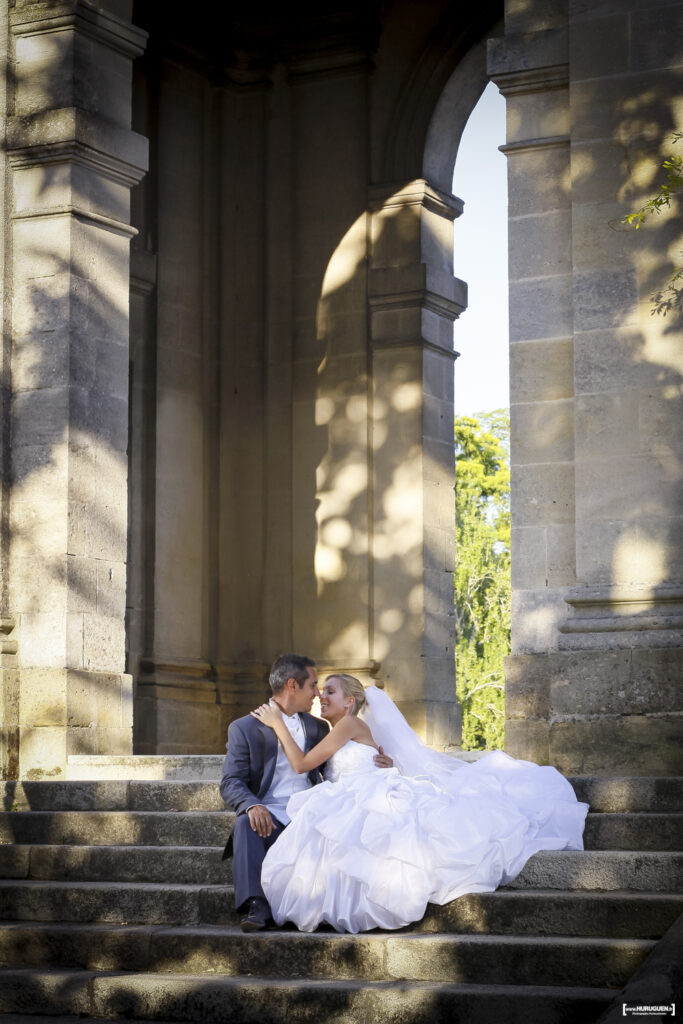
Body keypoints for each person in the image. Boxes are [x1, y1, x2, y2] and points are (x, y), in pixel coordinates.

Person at [251, 674, 589, 934]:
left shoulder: (349, 724)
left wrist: (277, 723)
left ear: (350, 702)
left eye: (330, 692)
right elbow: (358, 760)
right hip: (358, 792)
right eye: (321, 690)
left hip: (366, 794)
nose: (321, 697)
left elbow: (301, 764)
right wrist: (389, 764)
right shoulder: (341, 729)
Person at [219, 654, 392, 931]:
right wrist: (251, 805)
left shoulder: (319, 727)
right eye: (313, 686)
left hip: (310, 808)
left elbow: (335, 763)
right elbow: (230, 782)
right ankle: (255, 908)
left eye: (324, 689)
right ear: (292, 685)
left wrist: (378, 761)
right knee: (245, 823)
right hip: (271, 811)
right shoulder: (245, 727)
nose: (317, 694)